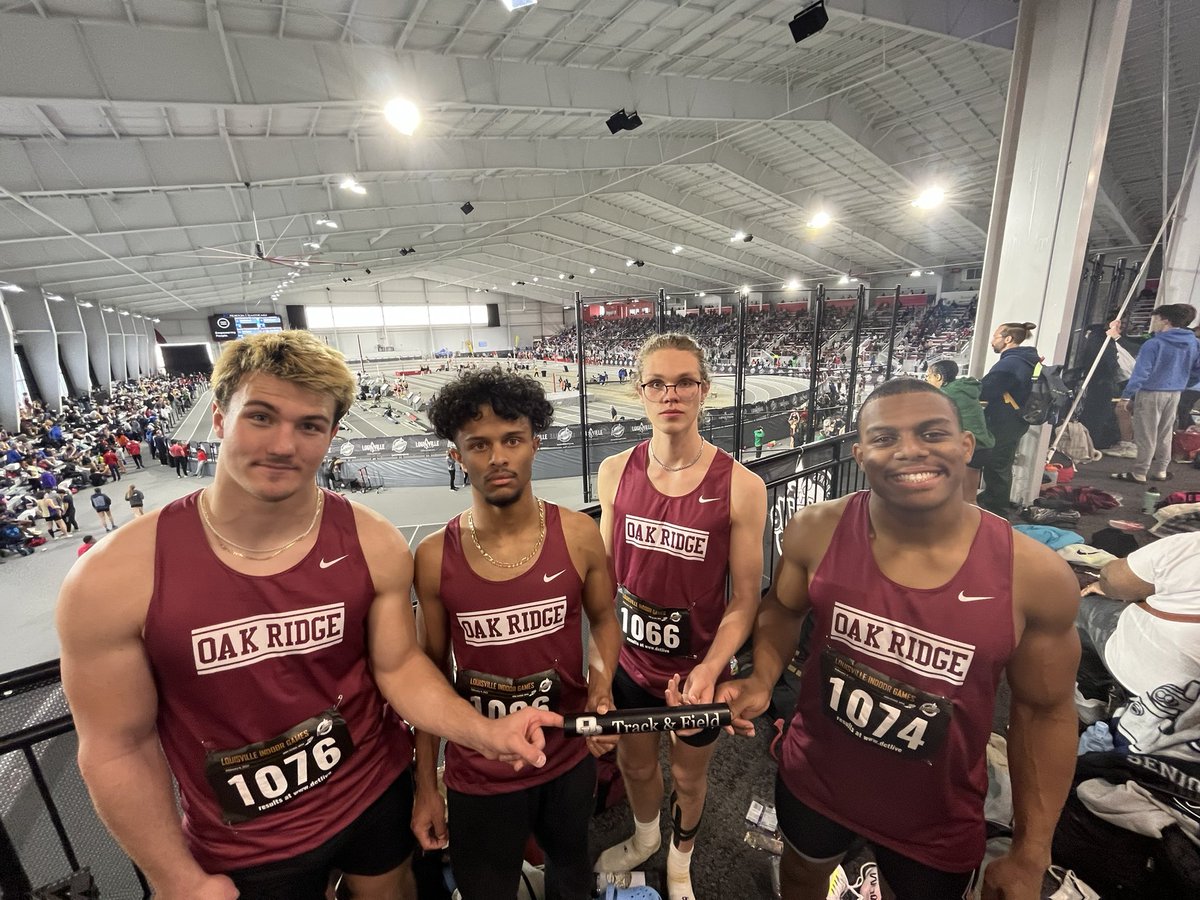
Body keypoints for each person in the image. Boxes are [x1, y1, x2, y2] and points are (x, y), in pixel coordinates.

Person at [57, 331, 560, 900]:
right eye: (262, 417)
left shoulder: (373, 542)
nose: (282, 444)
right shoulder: (112, 580)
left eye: (309, 426)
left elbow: (397, 667)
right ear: (219, 418)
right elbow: (118, 745)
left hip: (373, 793)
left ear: (331, 436)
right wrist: (175, 879)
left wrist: (483, 733)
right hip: (247, 841)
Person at [719, 379, 1081, 900]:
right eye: (886, 437)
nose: (910, 449)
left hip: (937, 814)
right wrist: (762, 677)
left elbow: (1046, 713)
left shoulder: (1035, 576)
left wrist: (1030, 852)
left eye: (932, 433)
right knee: (800, 878)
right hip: (815, 778)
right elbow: (782, 611)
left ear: (965, 446)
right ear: (860, 452)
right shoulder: (814, 531)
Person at [411, 369, 622, 900]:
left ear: (534, 444)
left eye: (512, 440)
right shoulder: (435, 557)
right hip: (478, 769)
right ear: (456, 458)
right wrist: (425, 784)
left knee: (571, 872)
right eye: (479, 445)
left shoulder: (578, 535)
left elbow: (602, 620)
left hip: (565, 753)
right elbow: (428, 676)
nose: (498, 457)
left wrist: (601, 685)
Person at [595, 333, 767, 900]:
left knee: (690, 777)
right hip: (631, 665)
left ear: (705, 391)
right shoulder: (616, 471)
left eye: (685, 382)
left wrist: (714, 666)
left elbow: (745, 599)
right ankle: (646, 839)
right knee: (636, 766)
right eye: (657, 383)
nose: (671, 394)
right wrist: (600, 669)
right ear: (639, 392)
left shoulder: (741, 487)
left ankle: (680, 856)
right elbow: (604, 584)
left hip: (698, 671)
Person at [1076, 531, 1200, 757]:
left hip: (1156, 676)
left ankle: (1091, 702)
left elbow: (1114, 580)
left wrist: (1104, 587)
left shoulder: (1190, 547)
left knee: (1080, 604)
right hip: (1188, 703)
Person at [1111, 304, 1200, 484]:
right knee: (1165, 432)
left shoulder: (1154, 343)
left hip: (1151, 392)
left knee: (1146, 434)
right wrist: (1183, 382)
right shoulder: (1193, 342)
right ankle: (1161, 470)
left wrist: (1126, 396)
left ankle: (1140, 472)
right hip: (1175, 392)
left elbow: (1141, 373)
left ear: (1166, 320)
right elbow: (1197, 369)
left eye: (1157, 318)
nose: (1156, 323)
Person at [978, 322, 1040, 516]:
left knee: (996, 463)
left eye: (995, 336)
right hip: (1016, 420)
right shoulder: (1027, 359)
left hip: (1005, 420)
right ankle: (994, 503)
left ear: (1008, 339)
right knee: (1001, 462)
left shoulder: (1010, 363)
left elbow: (986, 389)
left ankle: (995, 509)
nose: (992, 341)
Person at [926, 359, 994, 502]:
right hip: (982, 447)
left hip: (969, 448)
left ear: (938, 377)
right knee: (969, 498)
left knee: (965, 501)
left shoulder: (944, 394)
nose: (927, 380)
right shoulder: (963, 389)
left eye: (929, 376)